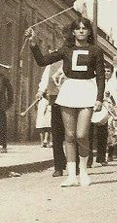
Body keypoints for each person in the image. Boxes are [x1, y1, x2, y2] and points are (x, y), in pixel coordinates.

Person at [25, 18, 105, 187]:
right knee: (69, 135)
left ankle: (83, 172)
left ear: (89, 32)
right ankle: (71, 175)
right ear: (73, 32)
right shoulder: (66, 49)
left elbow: (101, 77)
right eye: (78, 28)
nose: (81, 31)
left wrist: (99, 98)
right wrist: (33, 43)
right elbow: (42, 61)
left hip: (87, 91)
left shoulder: (96, 51)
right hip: (69, 90)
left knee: (82, 134)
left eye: (85, 28)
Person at [0, 64, 14, 154]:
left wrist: (8, 104)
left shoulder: (3, 79)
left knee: (2, 125)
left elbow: (10, 92)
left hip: (1, 107)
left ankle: (3, 145)